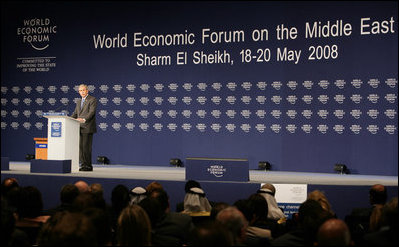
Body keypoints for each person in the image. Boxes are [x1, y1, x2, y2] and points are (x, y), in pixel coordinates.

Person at [71, 84, 97, 172]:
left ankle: (88, 166)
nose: (82, 92)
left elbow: (92, 112)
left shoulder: (92, 99)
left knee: (86, 148)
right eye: (80, 91)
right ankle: (83, 164)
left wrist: (84, 119)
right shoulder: (78, 101)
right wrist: (69, 119)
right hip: (79, 127)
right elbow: (75, 113)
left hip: (88, 127)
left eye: (83, 90)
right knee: (81, 148)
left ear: (87, 91)